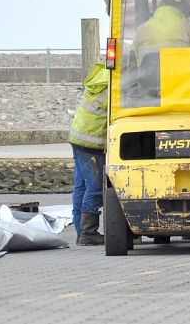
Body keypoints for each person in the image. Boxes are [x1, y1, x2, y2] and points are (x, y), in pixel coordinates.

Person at [68, 62, 109, 246]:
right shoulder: (113, 86)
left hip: (78, 138)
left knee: (81, 187)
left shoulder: (99, 78)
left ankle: (81, 233)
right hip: (91, 143)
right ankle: (87, 233)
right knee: (95, 187)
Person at [131, 0, 190, 67]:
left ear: (162, 3)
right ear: (182, 4)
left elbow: (132, 63)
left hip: (148, 81)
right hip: (181, 80)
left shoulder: (141, 30)